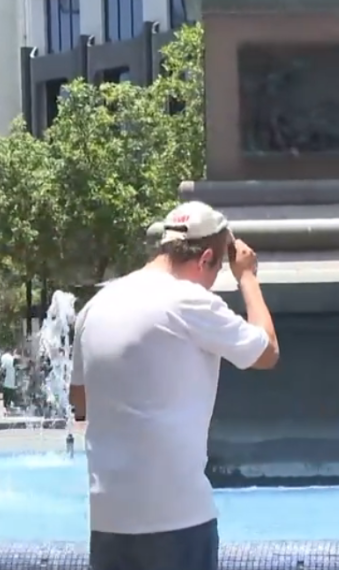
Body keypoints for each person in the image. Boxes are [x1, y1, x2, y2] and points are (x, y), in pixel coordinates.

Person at [70, 201, 280, 570]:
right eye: (218, 270)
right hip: (176, 520)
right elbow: (267, 352)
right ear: (206, 259)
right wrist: (246, 276)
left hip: (108, 519)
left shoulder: (96, 306)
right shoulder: (190, 300)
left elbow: (79, 399)